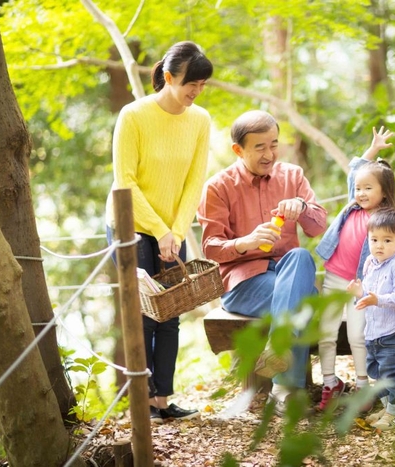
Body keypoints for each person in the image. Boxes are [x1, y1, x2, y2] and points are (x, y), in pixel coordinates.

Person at [106, 41, 213, 423]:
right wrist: (159, 230)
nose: (196, 92)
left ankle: (164, 401)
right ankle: (144, 401)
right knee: (144, 314)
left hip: (173, 229)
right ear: (168, 77)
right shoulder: (133, 116)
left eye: (202, 85)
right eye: (191, 84)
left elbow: (194, 182)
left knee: (171, 314)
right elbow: (125, 181)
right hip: (130, 224)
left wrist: (177, 232)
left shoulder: (200, 120)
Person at [197, 110, 327, 416]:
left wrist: (303, 207)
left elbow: (318, 226)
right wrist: (246, 242)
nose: (269, 154)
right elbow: (211, 248)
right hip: (245, 283)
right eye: (260, 148)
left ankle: (279, 363)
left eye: (274, 144)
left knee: (300, 256)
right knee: (304, 302)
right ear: (238, 150)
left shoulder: (292, 176)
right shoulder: (218, 187)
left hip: (288, 273)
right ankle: (284, 390)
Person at [314, 127, 395, 411]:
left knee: (356, 336)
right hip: (335, 277)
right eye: (359, 189)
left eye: (368, 188)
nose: (360, 193)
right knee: (326, 331)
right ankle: (329, 382)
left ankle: (362, 386)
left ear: (384, 193)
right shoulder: (353, 205)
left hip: (361, 284)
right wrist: (372, 150)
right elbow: (354, 172)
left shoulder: (385, 219)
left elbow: (392, 249)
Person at [347, 209, 395, 431]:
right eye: (374, 239)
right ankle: (387, 409)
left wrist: (377, 300)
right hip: (374, 332)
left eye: (387, 240)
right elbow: (369, 293)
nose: (379, 245)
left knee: (392, 375)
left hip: (394, 333)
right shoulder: (370, 264)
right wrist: (360, 292)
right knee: (378, 374)